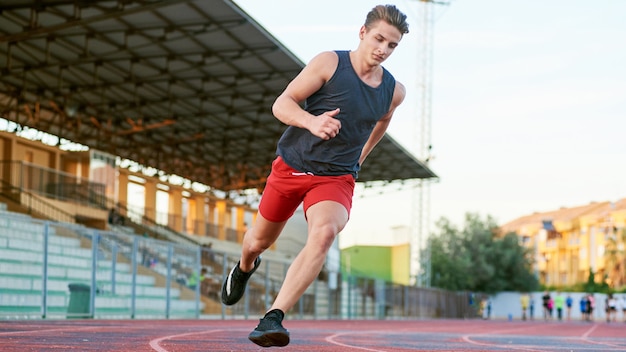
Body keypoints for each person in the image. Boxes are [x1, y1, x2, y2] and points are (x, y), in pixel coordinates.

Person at [219, 4, 410, 348]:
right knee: (257, 242)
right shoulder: (329, 63)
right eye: (379, 38)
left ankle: (272, 317)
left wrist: (360, 157)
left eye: (392, 45)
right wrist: (312, 121)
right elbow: (283, 103)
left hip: (335, 178)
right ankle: (245, 266)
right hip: (292, 166)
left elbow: (382, 121)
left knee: (323, 235)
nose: (383, 49)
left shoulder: (393, 91)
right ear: (363, 33)